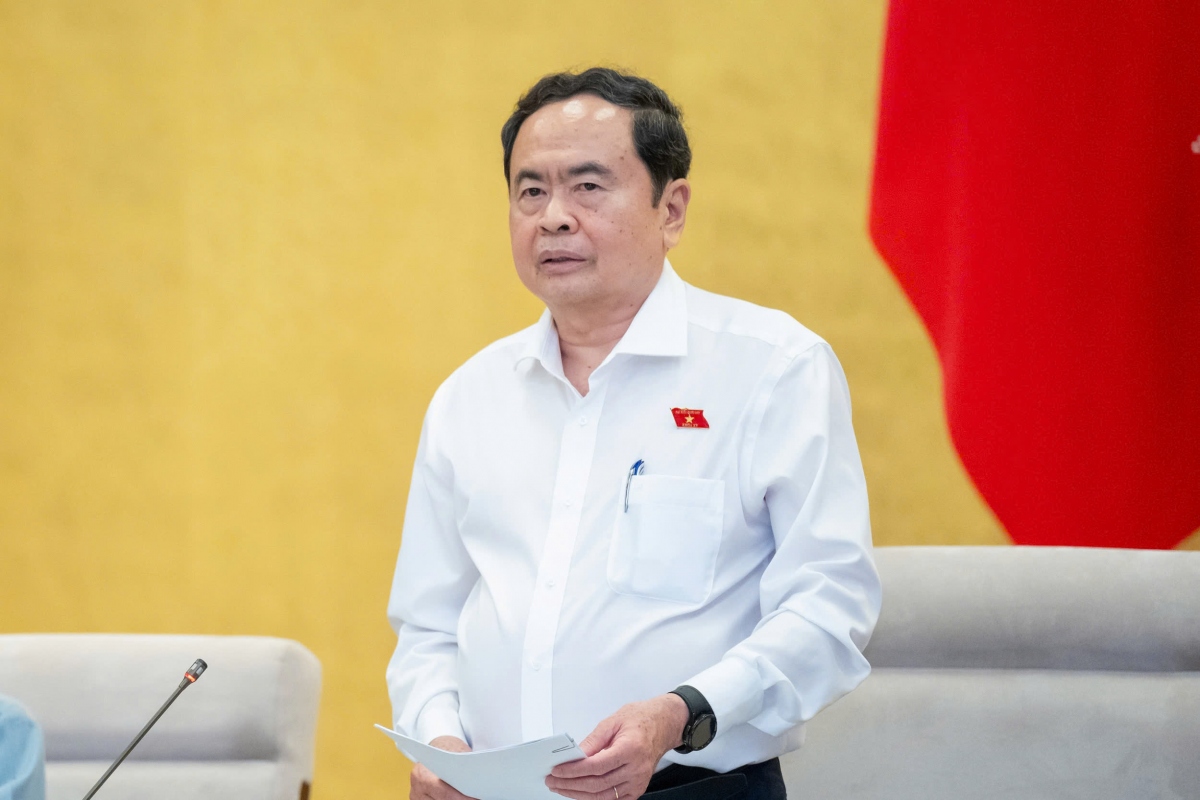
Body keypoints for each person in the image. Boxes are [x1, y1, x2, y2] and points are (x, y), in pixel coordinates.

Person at [386, 67, 881, 800]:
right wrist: (439, 742)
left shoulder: (772, 368)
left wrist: (682, 713)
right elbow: (428, 626)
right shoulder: (470, 396)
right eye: (530, 191)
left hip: (694, 787)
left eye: (588, 186)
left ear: (670, 209)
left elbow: (829, 605)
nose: (553, 217)